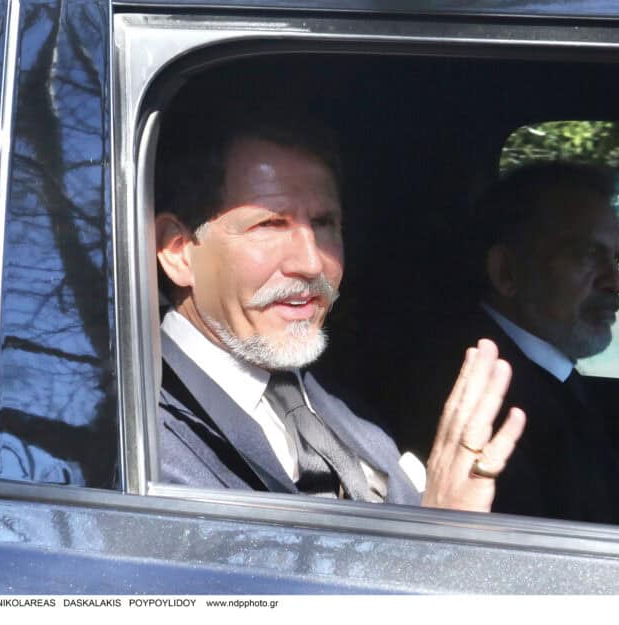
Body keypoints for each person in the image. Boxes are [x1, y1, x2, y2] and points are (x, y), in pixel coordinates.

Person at [153, 111, 525, 511]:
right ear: (178, 251)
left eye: (324, 223)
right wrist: (438, 527)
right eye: (270, 225)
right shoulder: (139, 444)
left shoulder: (339, 403)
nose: (312, 263)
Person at [419, 161, 619, 524]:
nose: (616, 282)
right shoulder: (481, 401)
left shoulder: (548, 377)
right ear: (506, 272)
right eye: (588, 255)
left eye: (617, 259)